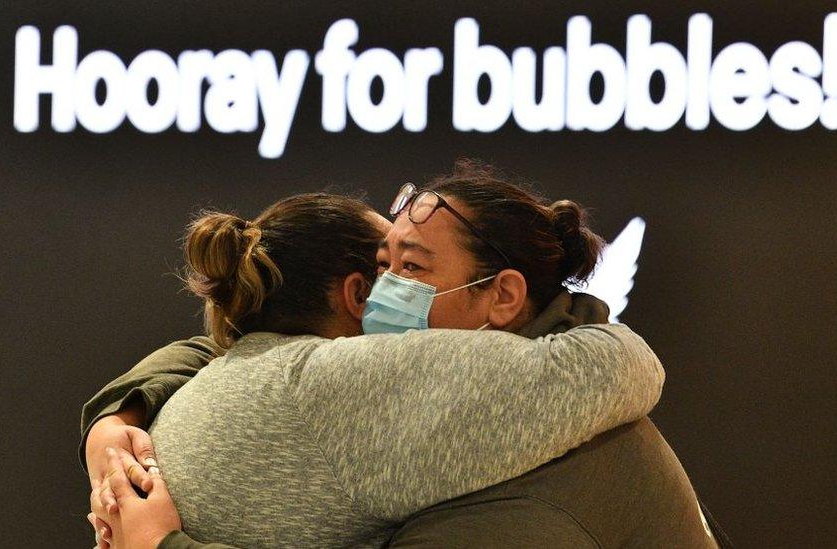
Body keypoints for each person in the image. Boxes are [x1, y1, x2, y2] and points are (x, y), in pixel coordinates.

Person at [79, 163, 682, 547]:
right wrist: (113, 418)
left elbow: (616, 358)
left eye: (410, 267)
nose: (390, 291)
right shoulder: (351, 386)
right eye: (384, 266)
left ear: (502, 295)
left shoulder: (549, 448)